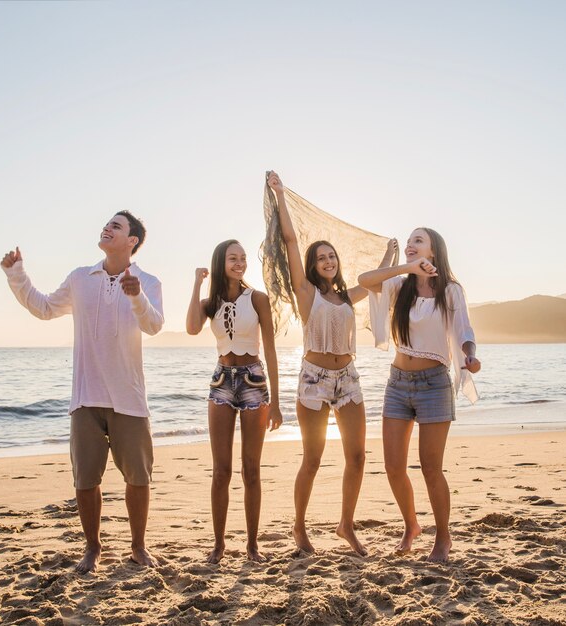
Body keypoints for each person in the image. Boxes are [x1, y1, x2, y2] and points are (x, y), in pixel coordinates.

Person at [0, 211, 164, 573]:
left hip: (129, 399)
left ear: (132, 241)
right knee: (85, 481)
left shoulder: (148, 281)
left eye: (116, 226)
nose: (107, 228)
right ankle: (92, 548)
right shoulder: (80, 278)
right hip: (85, 398)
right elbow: (44, 308)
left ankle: (138, 546)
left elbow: (154, 325)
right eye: (107, 224)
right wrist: (16, 274)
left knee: (138, 478)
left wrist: (136, 296)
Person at [266, 171, 396, 555]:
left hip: (349, 378)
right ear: (312, 264)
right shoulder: (306, 293)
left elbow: (377, 282)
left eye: (332, 256)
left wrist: (390, 254)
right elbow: (290, 240)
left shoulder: (346, 297)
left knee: (357, 456)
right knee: (312, 458)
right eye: (321, 257)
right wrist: (281, 194)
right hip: (314, 379)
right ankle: (300, 527)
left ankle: (345, 525)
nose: (328, 260)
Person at [358, 227, 481, 562]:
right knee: (393, 466)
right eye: (409, 241)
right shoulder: (400, 285)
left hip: (434, 384)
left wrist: (469, 356)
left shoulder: (451, 291)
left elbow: (464, 330)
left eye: (418, 241)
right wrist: (404, 267)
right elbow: (366, 279)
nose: (410, 245)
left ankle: (443, 537)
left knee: (430, 467)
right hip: (397, 383)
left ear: (434, 250)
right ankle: (411, 525)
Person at [186, 239, 282, 563]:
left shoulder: (258, 299)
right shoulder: (208, 302)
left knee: (251, 470)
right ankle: (219, 545)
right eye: (233, 258)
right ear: (220, 262)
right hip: (221, 381)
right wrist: (196, 285)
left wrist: (278, 402)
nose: (240, 263)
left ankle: (252, 546)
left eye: (243, 258)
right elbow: (190, 328)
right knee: (221, 471)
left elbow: (269, 350)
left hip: (254, 380)